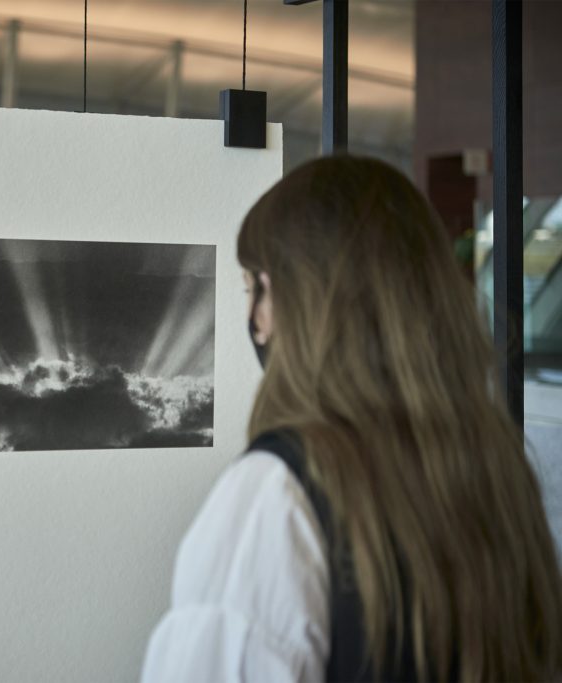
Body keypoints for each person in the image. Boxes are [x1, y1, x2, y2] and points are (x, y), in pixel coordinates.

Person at [141, 156, 562, 682]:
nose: (253, 321)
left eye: (252, 288)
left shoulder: (277, 495)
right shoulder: (497, 473)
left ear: (292, 298)